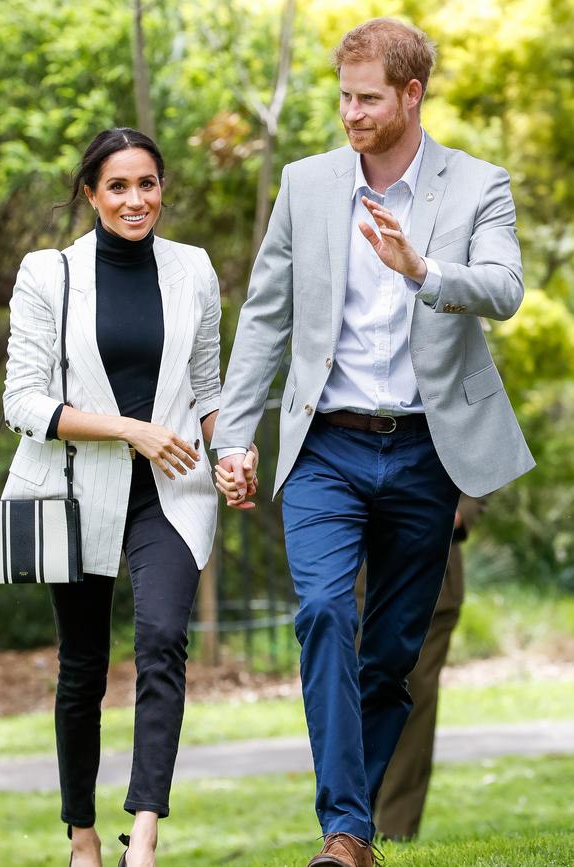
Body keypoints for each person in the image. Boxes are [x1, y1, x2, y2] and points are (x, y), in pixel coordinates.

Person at [212, 18, 533, 867]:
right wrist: (235, 435)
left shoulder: (475, 185)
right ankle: (345, 832)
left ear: (411, 95)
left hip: (430, 450)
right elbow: (267, 320)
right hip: (328, 444)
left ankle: (350, 827)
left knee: (391, 657)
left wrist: (423, 271)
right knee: (321, 611)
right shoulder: (308, 185)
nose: (350, 112)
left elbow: (504, 289)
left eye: (366, 98)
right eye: (343, 96)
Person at [2, 128, 255, 867]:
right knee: (82, 665)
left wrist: (232, 450)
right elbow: (23, 401)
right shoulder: (50, 274)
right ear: (90, 193)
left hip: (171, 491)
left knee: (162, 642)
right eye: (118, 186)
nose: (135, 199)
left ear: (162, 187)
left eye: (147, 183)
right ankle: (81, 837)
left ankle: (142, 834)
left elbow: (209, 388)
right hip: (78, 490)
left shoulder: (195, 270)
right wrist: (131, 430)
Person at [356, 493, 488, 840]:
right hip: (360, 579)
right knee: (358, 695)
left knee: (416, 701)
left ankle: (397, 830)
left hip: (434, 574)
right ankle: (350, 828)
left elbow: (486, 447)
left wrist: (462, 511)